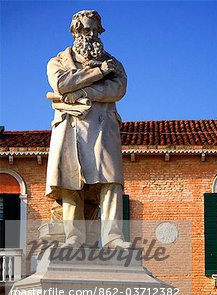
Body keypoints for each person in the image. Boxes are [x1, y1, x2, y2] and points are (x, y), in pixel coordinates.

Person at [46, 10, 131, 249]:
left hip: (104, 127)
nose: (91, 34)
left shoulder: (114, 63)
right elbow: (62, 84)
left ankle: (114, 238)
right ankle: (74, 237)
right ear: (75, 32)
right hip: (70, 128)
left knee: (111, 181)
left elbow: (118, 89)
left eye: (95, 29)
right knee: (70, 181)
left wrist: (83, 93)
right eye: (85, 29)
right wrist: (99, 72)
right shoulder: (58, 61)